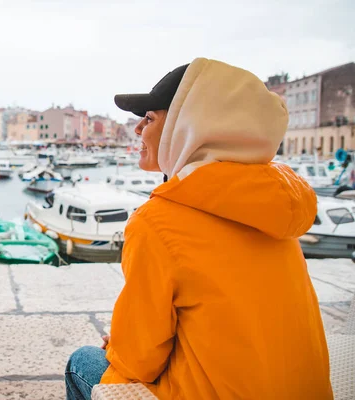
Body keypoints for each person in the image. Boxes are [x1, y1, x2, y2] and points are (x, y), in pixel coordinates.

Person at [65, 58, 333, 400]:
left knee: (82, 362)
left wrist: (120, 345)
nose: (137, 130)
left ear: (185, 127)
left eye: (148, 118)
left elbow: (137, 360)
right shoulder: (272, 204)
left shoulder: (158, 222)